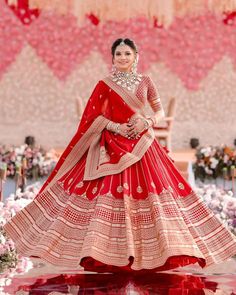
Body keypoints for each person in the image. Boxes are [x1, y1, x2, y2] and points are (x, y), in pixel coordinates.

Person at [4, 38, 236, 273]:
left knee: (159, 191)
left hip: (142, 143)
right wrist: (116, 128)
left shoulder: (146, 81)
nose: (123, 58)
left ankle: (162, 250)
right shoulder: (105, 84)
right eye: (118, 54)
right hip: (111, 144)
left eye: (127, 53)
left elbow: (159, 110)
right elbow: (92, 118)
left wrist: (147, 121)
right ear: (113, 58)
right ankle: (103, 252)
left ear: (136, 55)